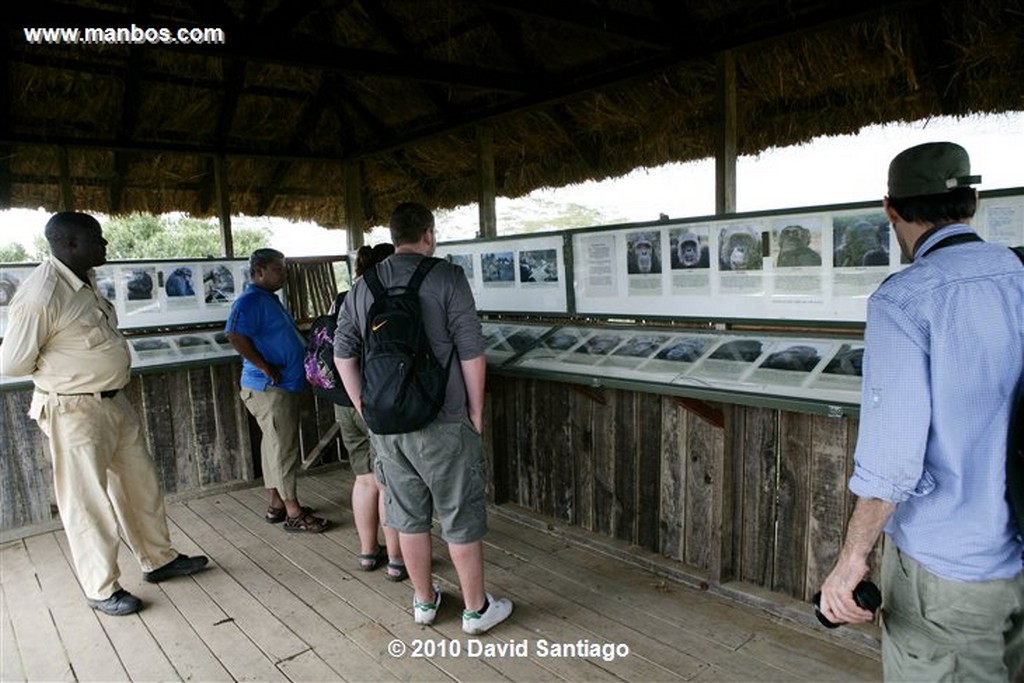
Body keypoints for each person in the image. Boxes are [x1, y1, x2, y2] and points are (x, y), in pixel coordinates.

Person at [818, 142, 1024, 681]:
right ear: (971, 201)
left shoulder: (905, 300)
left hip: (951, 568)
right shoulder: (1018, 272)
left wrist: (850, 562)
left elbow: (893, 459)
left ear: (891, 208)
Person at [0, 212, 208, 616]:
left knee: (139, 484)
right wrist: (62, 373)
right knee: (87, 501)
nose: (106, 244)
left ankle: (158, 559)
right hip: (74, 409)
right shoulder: (42, 294)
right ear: (70, 244)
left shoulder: (82, 281)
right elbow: (12, 362)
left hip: (112, 402)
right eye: (97, 239)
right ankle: (101, 588)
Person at [334, 203, 513, 634]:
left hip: (389, 426)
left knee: (407, 517)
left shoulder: (363, 286)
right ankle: (474, 610)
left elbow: (342, 352)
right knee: (459, 515)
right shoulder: (447, 277)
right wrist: (475, 410)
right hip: (445, 420)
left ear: (394, 236)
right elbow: (470, 349)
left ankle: (425, 602)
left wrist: (364, 407)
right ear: (429, 235)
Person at [225, 248, 329, 533]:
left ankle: (276, 504)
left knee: (273, 446)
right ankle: (294, 512)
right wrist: (265, 366)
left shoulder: (266, 298)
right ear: (259, 271)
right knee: (284, 449)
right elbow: (234, 334)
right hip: (269, 387)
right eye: (278, 269)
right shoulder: (249, 301)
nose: (284, 274)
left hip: (279, 386)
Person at [336, 242, 406, 580]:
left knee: (364, 480)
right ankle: (396, 558)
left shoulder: (345, 297)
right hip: (376, 402)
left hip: (343, 401)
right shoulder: (387, 299)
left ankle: (367, 552)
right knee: (388, 481)